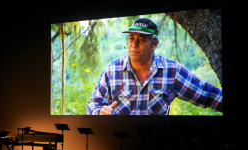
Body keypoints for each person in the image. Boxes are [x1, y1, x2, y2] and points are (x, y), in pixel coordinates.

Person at [87, 18, 222, 115]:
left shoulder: (172, 71)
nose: (134, 44)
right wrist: (99, 111)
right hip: (118, 142)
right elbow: (93, 103)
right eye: (131, 38)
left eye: (142, 39)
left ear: (154, 44)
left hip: (157, 145)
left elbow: (207, 95)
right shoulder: (112, 70)